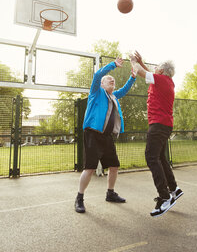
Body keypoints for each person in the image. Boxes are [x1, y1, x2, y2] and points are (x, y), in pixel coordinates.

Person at [75, 57, 136, 213]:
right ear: (101, 84)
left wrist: (132, 77)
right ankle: (79, 198)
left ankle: (110, 193)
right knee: (89, 168)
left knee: (114, 166)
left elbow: (124, 90)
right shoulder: (96, 93)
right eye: (109, 79)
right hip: (93, 135)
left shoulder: (113, 97)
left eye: (113, 80)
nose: (112, 81)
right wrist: (113, 65)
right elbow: (97, 75)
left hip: (107, 137)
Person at [130, 51, 183, 218]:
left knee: (151, 157)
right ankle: (174, 188)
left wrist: (133, 62)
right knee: (160, 157)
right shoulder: (167, 81)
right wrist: (141, 62)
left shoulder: (160, 80)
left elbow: (139, 71)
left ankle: (165, 197)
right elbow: (148, 73)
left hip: (158, 125)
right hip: (165, 125)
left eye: (158, 66)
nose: (156, 67)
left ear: (162, 71)